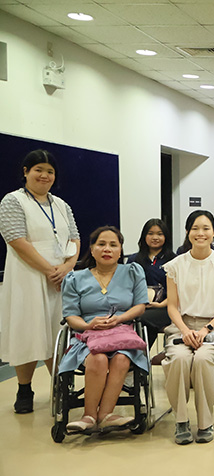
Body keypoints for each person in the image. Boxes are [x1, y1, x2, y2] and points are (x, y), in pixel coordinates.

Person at [0, 149, 80, 414]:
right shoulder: (12, 201)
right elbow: (16, 241)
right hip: (29, 276)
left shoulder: (61, 204)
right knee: (28, 331)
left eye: (50, 171)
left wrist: (67, 267)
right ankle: (24, 388)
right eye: (39, 170)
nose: (44, 175)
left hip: (60, 278)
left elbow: (75, 239)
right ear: (25, 172)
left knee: (56, 333)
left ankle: (60, 385)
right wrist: (50, 270)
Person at [60, 226, 148, 432]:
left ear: (120, 251)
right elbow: (70, 316)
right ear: (92, 250)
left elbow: (140, 306)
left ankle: (106, 414)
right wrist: (88, 325)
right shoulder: (75, 278)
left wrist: (120, 319)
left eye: (113, 245)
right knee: (98, 358)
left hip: (123, 332)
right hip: (87, 334)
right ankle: (89, 416)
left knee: (121, 358)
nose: (107, 249)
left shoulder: (133, 272)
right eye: (101, 244)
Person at [162, 210, 214, 445]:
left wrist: (206, 329)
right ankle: (181, 421)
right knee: (179, 359)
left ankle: (205, 421)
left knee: (203, 358)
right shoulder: (175, 266)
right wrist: (185, 330)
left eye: (206, 228)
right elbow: (172, 306)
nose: (200, 233)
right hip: (182, 327)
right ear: (187, 232)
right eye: (195, 228)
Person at [127, 218, 176, 348]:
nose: (155, 237)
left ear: (166, 237)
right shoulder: (134, 260)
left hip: (166, 307)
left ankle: (138, 354)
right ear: (144, 236)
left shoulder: (174, 260)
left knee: (142, 319)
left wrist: (160, 305)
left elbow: (179, 290)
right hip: (138, 306)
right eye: (150, 233)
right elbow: (126, 286)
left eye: (160, 234)